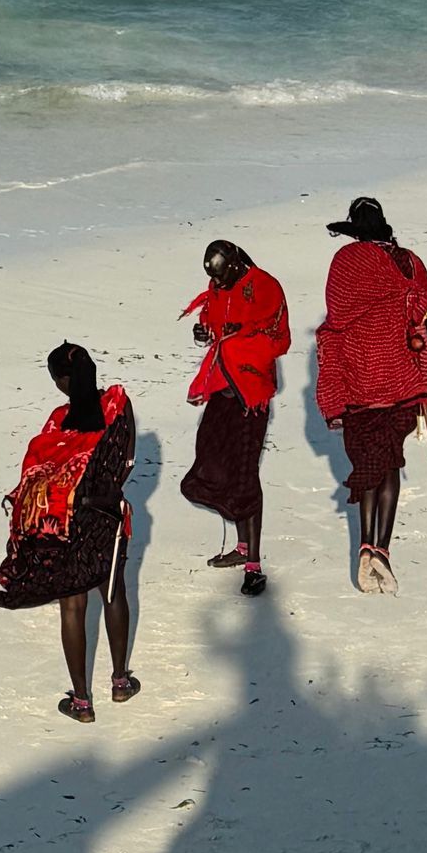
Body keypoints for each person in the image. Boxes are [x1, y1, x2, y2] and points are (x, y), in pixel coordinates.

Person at [0, 342, 138, 723]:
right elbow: (127, 459)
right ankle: (121, 681)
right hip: (108, 517)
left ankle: (81, 701)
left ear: (61, 381)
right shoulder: (118, 406)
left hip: (66, 521)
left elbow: (36, 473)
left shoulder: (58, 419)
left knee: (73, 606)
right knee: (113, 593)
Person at [315, 196, 427, 594]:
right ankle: (381, 550)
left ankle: (365, 547)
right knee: (389, 463)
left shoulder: (344, 264)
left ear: (354, 230)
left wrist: (332, 394)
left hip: (358, 382)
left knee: (370, 463)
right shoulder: (409, 264)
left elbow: (335, 321)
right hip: (401, 380)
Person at [179, 238, 290, 596]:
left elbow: (278, 338)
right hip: (222, 387)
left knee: (245, 472)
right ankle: (242, 548)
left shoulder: (264, 286)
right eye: (216, 280)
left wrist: (238, 339)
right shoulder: (217, 287)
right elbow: (212, 320)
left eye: (223, 278)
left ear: (236, 265)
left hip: (250, 392)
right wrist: (205, 332)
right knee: (210, 456)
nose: (219, 285)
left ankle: (254, 564)